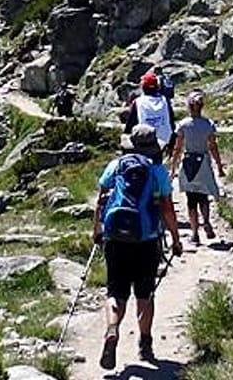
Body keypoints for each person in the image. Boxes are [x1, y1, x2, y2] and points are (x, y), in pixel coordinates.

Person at [93, 125, 183, 368]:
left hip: (115, 237)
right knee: (145, 293)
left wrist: (97, 231)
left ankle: (112, 329)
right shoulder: (157, 172)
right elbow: (166, 208)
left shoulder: (116, 167)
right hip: (147, 239)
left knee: (115, 291)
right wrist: (175, 238)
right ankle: (145, 343)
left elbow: (101, 201)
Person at [168, 90, 224, 246]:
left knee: (191, 199)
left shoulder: (184, 125)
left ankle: (194, 234)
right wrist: (219, 166)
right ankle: (206, 221)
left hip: (188, 161)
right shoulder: (208, 124)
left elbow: (178, 148)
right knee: (203, 195)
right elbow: (213, 147)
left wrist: (173, 167)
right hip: (203, 162)